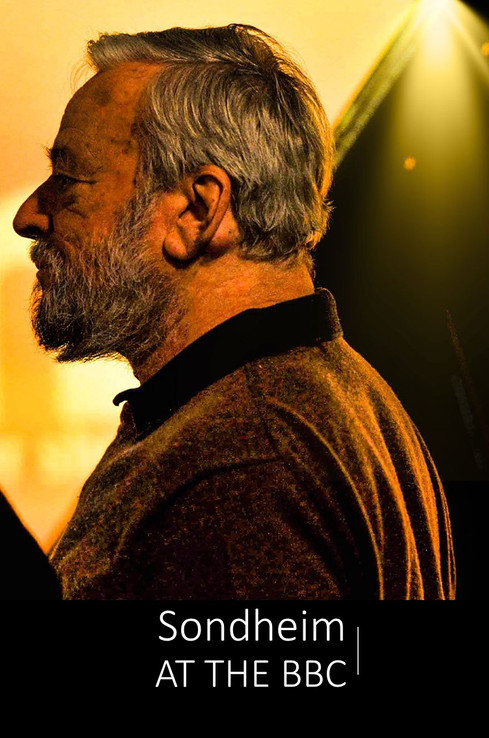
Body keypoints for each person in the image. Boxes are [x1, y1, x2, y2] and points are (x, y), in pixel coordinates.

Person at [12, 24, 455, 599]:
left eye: (68, 180)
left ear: (197, 211)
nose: (28, 215)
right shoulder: (328, 398)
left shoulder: (240, 461)